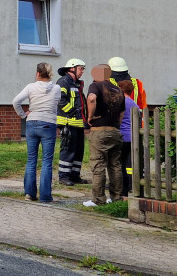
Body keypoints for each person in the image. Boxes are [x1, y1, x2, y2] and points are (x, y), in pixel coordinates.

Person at [12, 62, 60, 203]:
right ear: (50, 74)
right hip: (49, 124)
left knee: (31, 159)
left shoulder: (30, 87)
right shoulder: (57, 88)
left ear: (38, 74)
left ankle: (29, 194)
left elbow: (16, 101)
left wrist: (23, 114)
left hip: (32, 123)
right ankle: (45, 197)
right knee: (47, 161)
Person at [82, 64, 125, 207]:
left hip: (99, 131)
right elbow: (121, 114)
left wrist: (90, 116)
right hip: (115, 132)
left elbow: (92, 98)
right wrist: (116, 126)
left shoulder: (96, 86)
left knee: (98, 165)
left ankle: (99, 200)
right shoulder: (119, 90)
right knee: (115, 165)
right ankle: (117, 198)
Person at [56, 58, 88, 186]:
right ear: (72, 68)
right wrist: (72, 112)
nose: (82, 72)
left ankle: (75, 176)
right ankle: (64, 176)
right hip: (68, 123)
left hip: (78, 124)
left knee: (79, 150)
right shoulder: (64, 82)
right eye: (81, 69)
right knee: (68, 150)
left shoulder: (77, 84)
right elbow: (60, 100)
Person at [119, 93, 139, 197]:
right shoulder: (134, 103)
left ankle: (123, 189)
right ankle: (132, 185)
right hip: (132, 137)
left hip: (121, 136)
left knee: (120, 164)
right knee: (130, 164)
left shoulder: (121, 102)